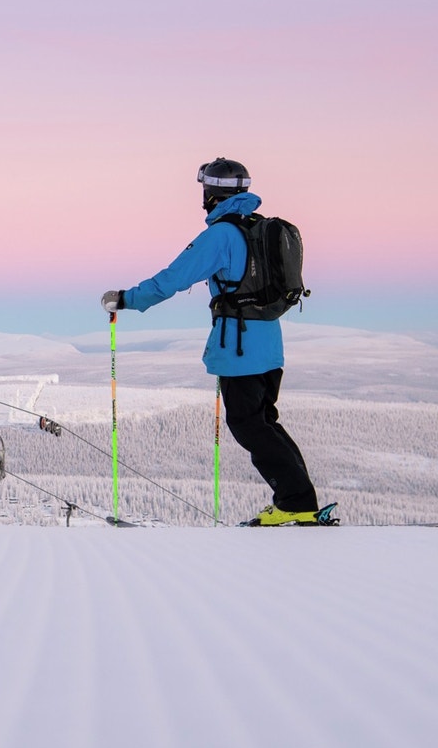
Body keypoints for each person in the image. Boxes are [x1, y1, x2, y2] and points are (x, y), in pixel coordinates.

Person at [101, 157, 329, 526]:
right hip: (269, 345)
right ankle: (300, 500)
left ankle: (296, 501)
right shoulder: (257, 227)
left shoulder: (221, 235)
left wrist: (127, 299)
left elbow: (172, 279)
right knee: (265, 422)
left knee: (249, 425)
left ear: (212, 194)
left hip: (240, 349)